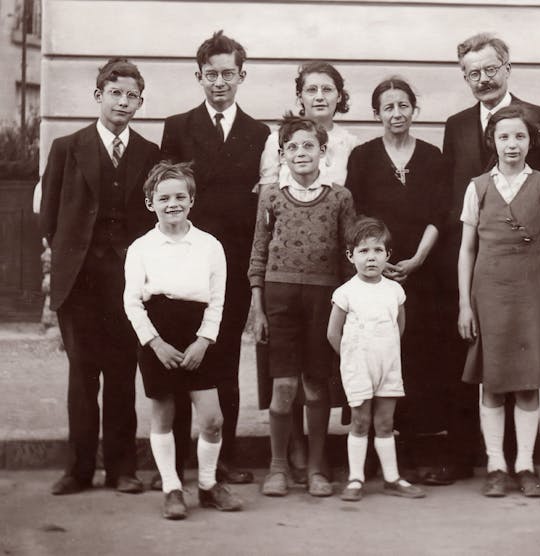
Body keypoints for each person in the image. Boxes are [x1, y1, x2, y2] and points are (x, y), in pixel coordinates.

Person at [425, 32, 540, 486]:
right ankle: (475, 457)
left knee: (524, 367)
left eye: (490, 69)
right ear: (464, 77)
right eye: (473, 73)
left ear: (508, 67)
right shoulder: (455, 124)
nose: (483, 79)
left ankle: (523, 461)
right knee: (477, 366)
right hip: (478, 267)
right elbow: (455, 197)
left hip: (526, 268)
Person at [41, 58, 161, 495]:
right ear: (98, 96)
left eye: (132, 96)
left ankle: (121, 469)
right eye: (115, 93)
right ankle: (77, 470)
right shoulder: (66, 148)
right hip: (81, 282)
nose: (123, 102)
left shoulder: (150, 153)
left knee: (122, 373)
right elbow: (50, 217)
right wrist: (71, 262)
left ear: (140, 103)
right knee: (82, 375)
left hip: (128, 283)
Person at [159, 30, 270, 488]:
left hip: (234, 265)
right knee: (183, 354)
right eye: (211, 75)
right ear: (199, 77)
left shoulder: (259, 132)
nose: (219, 82)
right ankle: (180, 458)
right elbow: (165, 194)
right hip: (184, 262)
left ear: (241, 76)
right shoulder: (178, 126)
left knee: (223, 358)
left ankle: (222, 458)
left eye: (228, 74)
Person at [457, 105, 540, 497]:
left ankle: (525, 463)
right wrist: (464, 304)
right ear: (492, 140)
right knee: (491, 382)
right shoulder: (477, 187)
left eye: (520, 136)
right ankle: (496, 464)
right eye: (504, 136)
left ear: (531, 141)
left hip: (532, 291)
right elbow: (467, 249)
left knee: (528, 382)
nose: (512, 144)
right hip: (489, 292)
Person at [255, 61, 358, 485]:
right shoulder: (272, 196)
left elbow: (349, 249)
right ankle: (279, 465)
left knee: (317, 386)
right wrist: (257, 307)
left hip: (324, 297)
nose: (301, 154)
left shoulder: (340, 196)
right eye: (293, 148)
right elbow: (257, 252)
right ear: (283, 154)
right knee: (282, 387)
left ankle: (317, 466)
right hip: (279, 297)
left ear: (324, 152)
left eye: (309, 148)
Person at [123, 161, 242, 519]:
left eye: (180, 196)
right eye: (163, 197)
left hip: (197, 338)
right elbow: (131, 301)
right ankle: (172, 488)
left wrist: (204, 340)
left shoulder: (209, 246)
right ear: (150, 203)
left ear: (192, 201)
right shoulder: (141, 248)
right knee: (163, 415)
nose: (172, 203)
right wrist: (154, 343)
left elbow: (219, 298)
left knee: (212, 419)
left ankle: (207, 485)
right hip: (158, 337)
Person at [345, 77, 446, 480]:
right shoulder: (363, 157)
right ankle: (372, 453)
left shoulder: (434, 157)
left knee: (419, 359)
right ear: (377, 114)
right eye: (388, 107)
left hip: (424, 273)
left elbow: (440, 214)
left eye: (403, 105)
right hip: (376, 273)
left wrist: (418, 258)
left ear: (413, 109)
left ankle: (419, 451)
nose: (396, 113)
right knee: (377, 355)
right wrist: (379, 263)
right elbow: (356, 216)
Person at [327, 217, 426, 501]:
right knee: (360, 421)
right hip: (358, 365)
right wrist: (352, 358)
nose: (371, 257)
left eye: (378, 250)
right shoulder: (346, 292)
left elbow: (399, 326)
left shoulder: (395, 290)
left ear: (388, 255)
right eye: (363, 251)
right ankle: (355, 478)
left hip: (388, 364)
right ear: (350, 256)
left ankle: (392, 477)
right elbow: (334, 334)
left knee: (384, 422)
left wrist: (386, 352)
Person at [258, 61, 358, 187]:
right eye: (312, 90)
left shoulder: (350, 143)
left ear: (339, 96)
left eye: (327, 89)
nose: (320, 97)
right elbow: (266, 193)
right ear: (300, 97)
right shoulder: (277, 139)